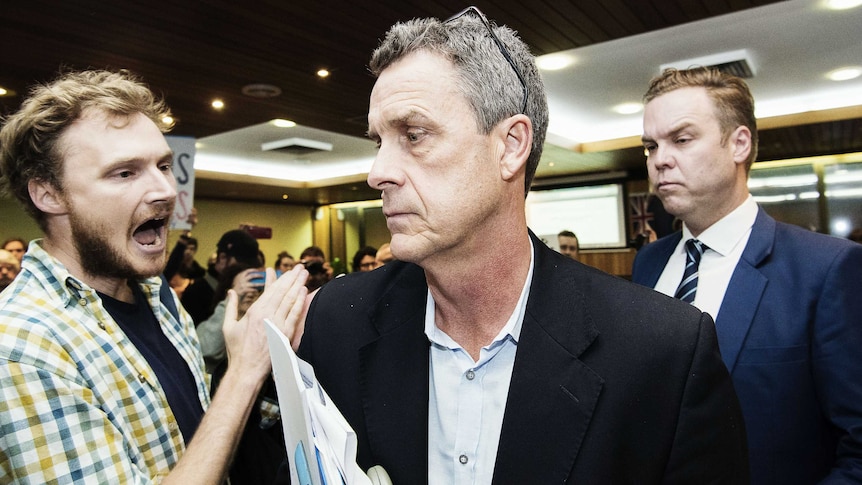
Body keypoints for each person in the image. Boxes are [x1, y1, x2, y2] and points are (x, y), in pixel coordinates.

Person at [288, 9, 748, 484]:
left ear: (510, 145)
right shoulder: (336, 323)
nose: (377, 172)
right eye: (378, 141)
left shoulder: (662, 351)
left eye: (413, 135)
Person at [0, 69, 309, 483]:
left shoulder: (157, 297)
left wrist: (268, 366)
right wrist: (243, 372)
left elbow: (197, 436)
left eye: (164, 165)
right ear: (48, 194)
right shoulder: (21, 345)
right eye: (124, 172)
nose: (166, 189)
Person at [633, 67, 862, 484]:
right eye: (651, 146)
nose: (659, 160)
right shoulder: (647, 264)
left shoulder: (827, 269)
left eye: (681, 139)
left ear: (739, 143)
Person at [181, 228, 260, 325]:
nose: (245, 273)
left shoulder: (248, 291)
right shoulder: (196, 292)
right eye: (241, 266)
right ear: (222, 258)